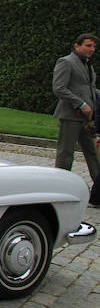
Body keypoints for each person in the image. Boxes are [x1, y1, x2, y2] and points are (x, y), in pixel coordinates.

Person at [52, 33, 99, 206]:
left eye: (93, 47)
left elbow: (90, 88)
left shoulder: (88, 65)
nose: (91, 49)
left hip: (87, 118)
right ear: (77, 46)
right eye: (88, 45)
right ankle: (59, 191)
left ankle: (98, 192)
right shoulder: (66, 62)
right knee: (66, 155)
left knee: (94, 154)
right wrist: (80, 104)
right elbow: (59, 88)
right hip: (70, 116)